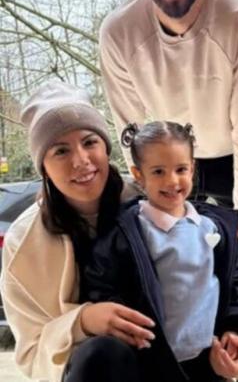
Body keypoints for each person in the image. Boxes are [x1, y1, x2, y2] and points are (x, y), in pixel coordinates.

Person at [98, 0, 238, 379]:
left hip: (236, 157)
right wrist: (148, 185)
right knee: (167, 270)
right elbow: (131, 129)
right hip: (166, 161)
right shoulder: (119, 31)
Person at [0, 82, 157, 382]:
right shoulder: (22, 243)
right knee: (102, 355)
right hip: (92, 369)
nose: (81, 161)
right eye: (60, 151)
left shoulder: (151, 202)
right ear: (43, 167)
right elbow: (31, 353)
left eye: (89, 142)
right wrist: (82, 321)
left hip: (164, 351)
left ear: (105, 147)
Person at [82, 121, 238, 382]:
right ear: (138, 175)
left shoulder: (215, 228)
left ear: (193, 168)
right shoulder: (127, 232)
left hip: (208, 363)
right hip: (150, 364)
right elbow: (103, 285)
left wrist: (235, 328)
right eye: (159, 171)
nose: (172, 181)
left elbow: (237, 288)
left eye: (181, 169)